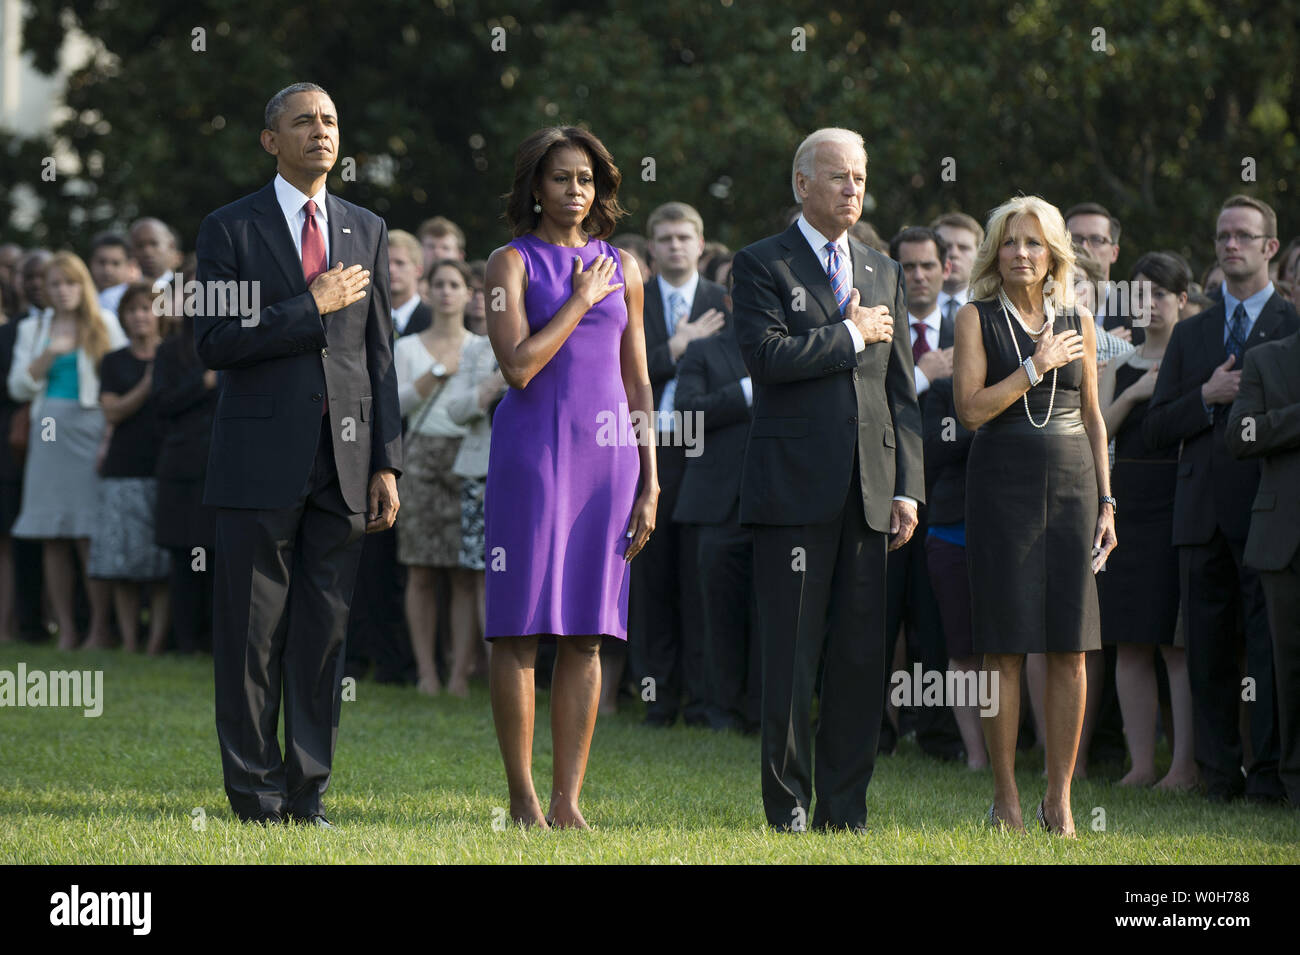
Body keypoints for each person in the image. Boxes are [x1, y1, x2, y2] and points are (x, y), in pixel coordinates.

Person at [195, 82, 402, 827]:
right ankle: (255, 796)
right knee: (252, 636)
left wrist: (387, 461)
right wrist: (304, 308)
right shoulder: (229, 229)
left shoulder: (367, 226)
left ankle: (307, 792)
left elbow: (380, 357)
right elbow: (213, 341)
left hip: (345, 464)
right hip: (257, 460)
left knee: (323, 636)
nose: (321, 132)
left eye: (330, 121)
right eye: (304, 121)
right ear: (269, 140)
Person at [732, 127, 924, 832]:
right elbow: (766, 357)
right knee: (790, 656)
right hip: (791, 492)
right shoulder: (760, 265)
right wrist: (848, 334)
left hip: (870, 494)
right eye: (839, 176)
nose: (853, 189)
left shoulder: (881, 268)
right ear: (801, 184)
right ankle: (788, 807)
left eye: (861, 178)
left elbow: (901, 392)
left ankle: (846, 809)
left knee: (858, 658)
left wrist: (908, 485)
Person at [483, 126, 655, 829]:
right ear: (535, 186)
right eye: (560, 177)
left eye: (586, 178)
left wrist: (651, 480)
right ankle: (523, 798)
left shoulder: (626, 266)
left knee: (587, 631)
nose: (575, 190)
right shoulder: (508, 263)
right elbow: (519, 366)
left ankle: (567, 800)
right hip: (530, 457)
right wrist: (580, 300)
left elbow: (638, 378)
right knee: (518, 631)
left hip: (608, 462)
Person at [953, 195, 1116, 837]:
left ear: (1053, 255)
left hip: (1076, 485)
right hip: (1001, 488)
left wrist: (1108, 501)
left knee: (1071, 647)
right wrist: (1033, 365)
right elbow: (968, 410)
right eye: (1012, 242)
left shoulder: (1079, 316)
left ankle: (1060, 799)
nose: (1022, 253)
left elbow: (1097, 416)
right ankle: (1006, 799)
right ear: (997, 251)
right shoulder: (975, 317)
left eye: (1035, 243)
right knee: (1004, 648)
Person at [1144, 194, 1297, 804]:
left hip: (1271, 517)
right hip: (1200, 516)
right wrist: (1205, 396)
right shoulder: (1191, 332)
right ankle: (1215, 773)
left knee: (1267, 655)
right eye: (1221, 235)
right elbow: (1156, 429)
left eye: (1243, 235)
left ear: (1270, 248)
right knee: (1206, 655)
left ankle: (1266, 776)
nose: (1230, 245)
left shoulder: (1291, 325)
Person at [1098, 252, 1196, 790]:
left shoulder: (1197, 358)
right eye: (1141, 294)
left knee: (1175, 643)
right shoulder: (1120, 363)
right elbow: (1101, 433)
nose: (1150, 304)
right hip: (1127, 506)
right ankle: (1141, 765)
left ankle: (1184, 766)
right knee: (1129, 638)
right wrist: (1135, 392)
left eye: (1160, 293)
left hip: (1180, 502)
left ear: (1183, 299)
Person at [632, 201, 729, 728]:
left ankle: (702, 698)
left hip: (707, 451)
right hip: (647, 448)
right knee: (650, 575)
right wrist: (677, 345)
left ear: (699, 243)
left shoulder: (725, 301)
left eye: (683, 237)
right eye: (664, 238)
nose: (674, 246)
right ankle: (655, 698)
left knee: (699, 579)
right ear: (652, 248)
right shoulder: (633, 297)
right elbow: (625, 370)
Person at [8, 252, 125, 650]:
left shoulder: (104, 323)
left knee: (89, 533)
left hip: (91, 428)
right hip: (48, 431)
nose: (63, 291)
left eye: (70, 282)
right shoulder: (33, 327)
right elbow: (19, 388)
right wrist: (50, 352)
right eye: (56, 284)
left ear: (83, 285)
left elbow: (124, 373)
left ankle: (98, 629)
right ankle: (67, 632)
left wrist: (110, 433)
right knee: (52, 533)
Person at [394, 258, 478, 697]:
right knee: (421, 570)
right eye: (439, 284)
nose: (447, 292)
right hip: (421, 457)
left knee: (465, 574)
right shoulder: (407, 347)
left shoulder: (483, 345)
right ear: (427, 291)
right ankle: (426, 672)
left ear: (468, 293)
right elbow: (397, 404)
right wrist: (439, 371)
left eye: (455, 284)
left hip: (470, 459)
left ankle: (460, 673)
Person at [1227, 325, 1300, 810]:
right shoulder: (1266, 358)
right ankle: (1294, 784)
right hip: (1284, 541)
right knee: (1287, 669)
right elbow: (1241, 434)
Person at [89, 282, 172, 654]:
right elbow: (112, 410)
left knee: (160, 564)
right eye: (132, 310)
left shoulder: (177, 356)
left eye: (146, 308)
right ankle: (127, 641)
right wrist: (147, 384)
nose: (140, 316)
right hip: (123, 469)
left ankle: (155, 643)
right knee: (122, 562)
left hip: (165, 468)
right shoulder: (113, 361)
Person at [151, 310, 218, 654]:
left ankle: (213, 638)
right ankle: (185, 640)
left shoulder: (237, 341)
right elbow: (161, 403)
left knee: (218, 554)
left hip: (224, 466)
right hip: (183, 467)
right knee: (186, 555)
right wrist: (202, 382)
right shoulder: (170, 350)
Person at [443, 328, 508, 673]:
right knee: (481, 574)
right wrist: (500, 376)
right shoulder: (478, 349)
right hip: (479, 472)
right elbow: (455, 410)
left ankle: (517, 666)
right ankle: (481, 670)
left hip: (536, 472)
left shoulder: (549, 333)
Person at [931, 211, 983, 323]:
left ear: (979, 254)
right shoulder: (908, 305)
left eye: (963, 248)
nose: (954, 254)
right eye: (945, 246)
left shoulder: (992, 308)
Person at [88, 232, 135, 316]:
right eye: (102, 262)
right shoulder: (80, 297)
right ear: (91, 263)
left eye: (115, 263)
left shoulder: (135, 299)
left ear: (129, 266)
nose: (108, 270)